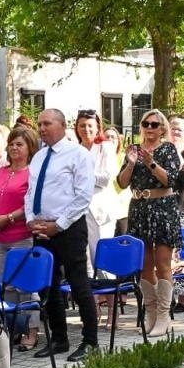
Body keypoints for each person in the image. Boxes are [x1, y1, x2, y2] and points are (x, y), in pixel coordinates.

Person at [28, 109, 101, 360]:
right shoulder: (38, 157)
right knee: (48, 286)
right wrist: (31, 220)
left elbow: (83, 196)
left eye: (47, 123)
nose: (42, 128)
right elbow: (31, 192)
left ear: (62, 125)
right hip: (42, 229)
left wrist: (58, 225)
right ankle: (59, 338)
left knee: (79, 283)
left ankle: (90, 341)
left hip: (68, 229)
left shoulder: (77, 154)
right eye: (40, 124)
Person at [118, 109, 184, 337]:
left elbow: (172, 180)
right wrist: (130, 164)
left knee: (163, 264)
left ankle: (163, 315)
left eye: (154, 124)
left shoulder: (167, 149)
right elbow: (120, 183)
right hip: (139, 208)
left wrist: (150, 163)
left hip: (162, 208)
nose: (149, 128)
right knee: (145, 264)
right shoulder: (134, 150)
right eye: (146, 124)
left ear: (162, 129)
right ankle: (149, 313)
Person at [0, 126, 40, 350]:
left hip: (21, 235)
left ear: (30, 147)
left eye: (19, 144)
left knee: (24, 287)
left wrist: (9, 218)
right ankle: (12, 329)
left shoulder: (32, 173)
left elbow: (29, 205)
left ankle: (30, 330)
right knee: (6, 286)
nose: (14, 148)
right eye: (11, 143)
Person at [75, 110, 119, 268]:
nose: (86, 129)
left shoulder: (105, 147)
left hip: (100, 210)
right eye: (82, 126)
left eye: (89, 126)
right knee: (85, 258)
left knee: (102, 255)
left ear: (97, 127)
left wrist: (83, 175)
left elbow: (107, 179)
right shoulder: (75, 150)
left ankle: (108, 290)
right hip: (79, 209)